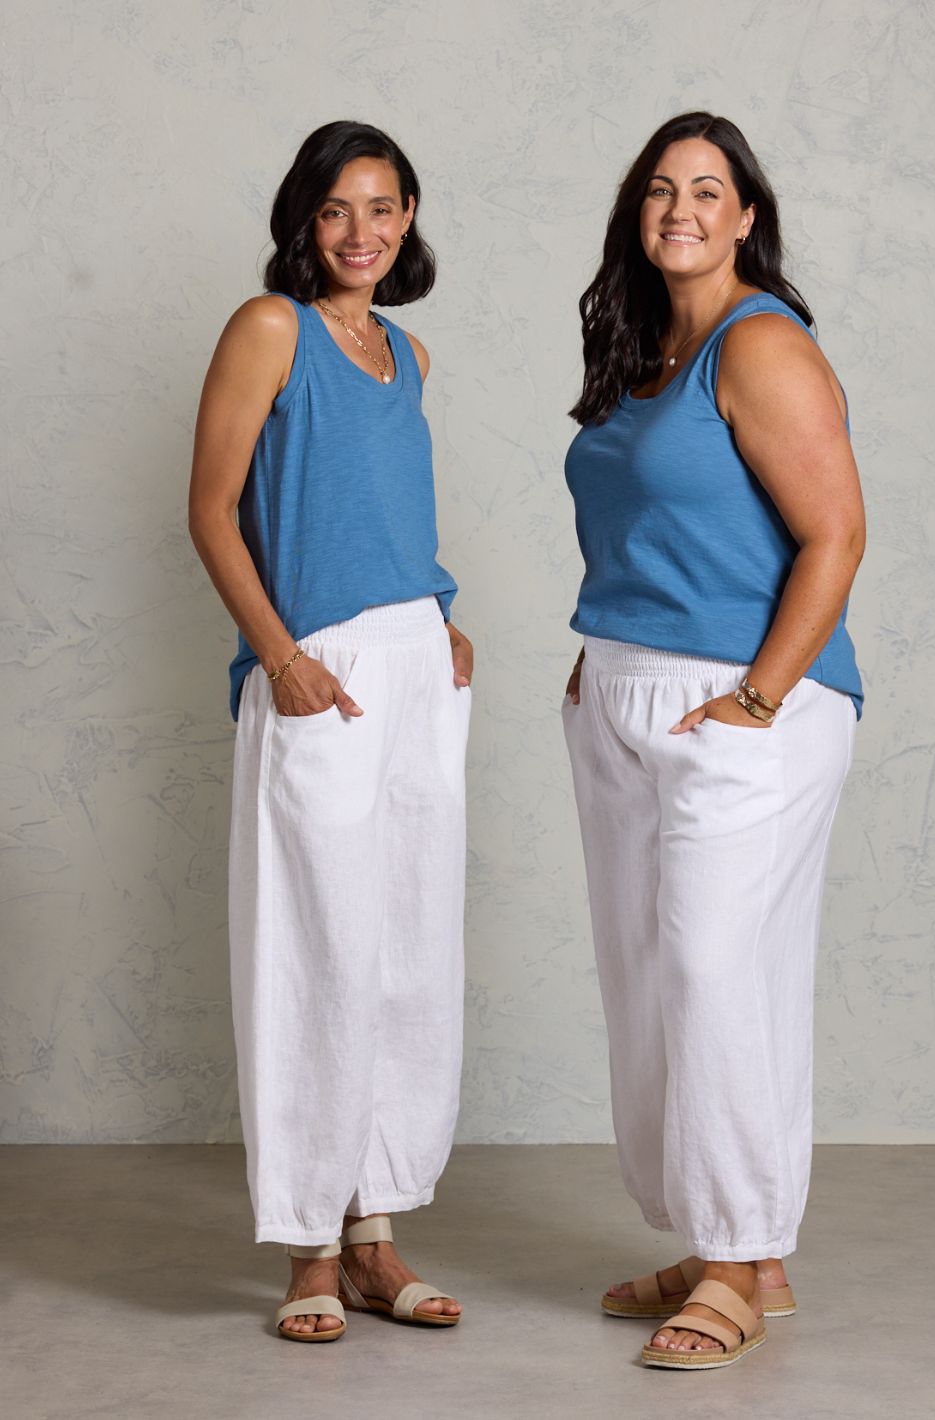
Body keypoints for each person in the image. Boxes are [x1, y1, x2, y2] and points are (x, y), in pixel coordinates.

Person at [561, 111, 864, 1371]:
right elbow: (647, 534)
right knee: (650, 984)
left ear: (746, 217)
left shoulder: (764, 347)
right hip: (625, 695)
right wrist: (599, 654)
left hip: (746, 705)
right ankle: (730, 1241)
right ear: (638, 212)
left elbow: (835, 537)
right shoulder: (641, 354)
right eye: (660, 189)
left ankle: (736, 1261)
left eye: (708, 190)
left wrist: (757, 696)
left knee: (714, 973)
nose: (681, 208)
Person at [188, 121, 472, 1342]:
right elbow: (210, 511)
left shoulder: (405, 350)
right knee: (314, 943)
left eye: (385, 208)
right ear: (303, 220)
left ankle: (373, 1233)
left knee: (407, 944)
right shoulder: (269, 330)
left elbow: (390, 499)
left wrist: (446, 614)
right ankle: (306, 1245)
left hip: (415, 662)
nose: (363, 233)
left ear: (409, 218)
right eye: (337, 210)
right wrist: (283, 656)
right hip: (321, 666)